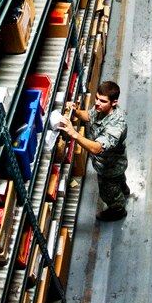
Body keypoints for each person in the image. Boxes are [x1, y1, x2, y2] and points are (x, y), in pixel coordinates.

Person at [61, 81, 129, 222]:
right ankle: (124, 190)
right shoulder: (101, 110)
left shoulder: (116, 125)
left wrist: (74, 133)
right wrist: (77, 112)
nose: (97, 103)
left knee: (108, 193)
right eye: (97, 98)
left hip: (110, 168)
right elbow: (90, 115)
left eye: (103, 101)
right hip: (114, 163)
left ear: (114, 102)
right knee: (119, 181)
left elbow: (96, 148)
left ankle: (118, 210)